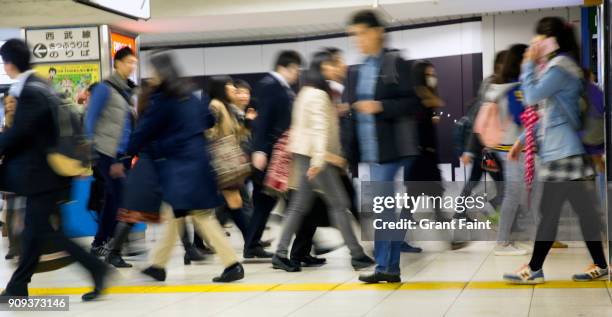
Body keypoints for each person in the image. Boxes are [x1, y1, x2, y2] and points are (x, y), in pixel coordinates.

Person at [0, 39, 108, 301]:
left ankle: (96, 269)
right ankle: (18, 285)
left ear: (9, 64)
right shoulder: (42, 86)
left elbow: (20, 133)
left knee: (45, 231)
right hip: (49, 174)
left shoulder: (30, 91)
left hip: (44, 175)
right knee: (35, 231)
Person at [503, 17, 608, 284]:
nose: (536, 44)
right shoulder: (559, 66)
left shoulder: (560, 67)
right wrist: (523, 140)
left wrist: (527, 63)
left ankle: (535, 268)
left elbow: (532, 97)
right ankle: (600, 263)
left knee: (549, 211)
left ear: (552, 40)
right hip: (564, 151)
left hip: (563, 153)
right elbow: (548, 113)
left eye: (541, 38)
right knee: (584, 213)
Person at [131, 52, 244, 283]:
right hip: (197, 162)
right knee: (175, 214)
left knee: (201, 216)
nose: (151, 77)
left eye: (153, 72)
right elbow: (209, 120)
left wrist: (127, 151)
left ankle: (232, 264)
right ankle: (158, 266)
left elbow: (143, 132)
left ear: (162, 73)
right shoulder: (190, 97)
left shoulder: (163, 101)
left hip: (180, 168)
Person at [271, 50, 375, 272]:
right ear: (324, 67)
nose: (343, 67)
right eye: (338, 63)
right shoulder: (318, 94)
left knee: (299, 206)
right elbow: (319, 130)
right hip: (314, 158)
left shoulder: (307, 91)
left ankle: (280, 253)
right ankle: (357, 255)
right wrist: (320, 160)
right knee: (339, 204)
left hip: (305, 155)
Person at [343, 10, 423, 284]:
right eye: (355, 35)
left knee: (382, 208)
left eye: (363, 32)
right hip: (368, 152)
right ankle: (388, 267)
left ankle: (386, 266)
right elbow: (353, 110)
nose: (359, 40)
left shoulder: (395, 62)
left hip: (390, 149)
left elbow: (412, 102)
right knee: (383, 209)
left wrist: (380, 106)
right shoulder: (357, 70)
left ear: (378, 31)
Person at [476, 44, 532, 256]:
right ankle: (502, 242)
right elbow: (521, 117)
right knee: (513, 193)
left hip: (502, 145)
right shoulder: (515, 88)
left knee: (515, 191)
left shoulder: (498, 84)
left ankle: (505, 239)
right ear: (519, 62)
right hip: (512, 147)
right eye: (526, 58)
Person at [247, 50, 302, 259]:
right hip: (270, 153)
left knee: (266, 201)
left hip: (276, 153)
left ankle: (252, 244)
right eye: (295, 69)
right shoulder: (271, 86)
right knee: (281, 200)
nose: (297, 74)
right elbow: (264, 120)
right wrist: (260, 150)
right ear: (285, 67)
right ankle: (304, 246)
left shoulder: (281, 87)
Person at [85, 47, 138, 256]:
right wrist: (91, 150)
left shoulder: (128, 91)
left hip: (122, 154)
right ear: (117, 63)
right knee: (121, 198)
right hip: (106, 151)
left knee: (113, 198)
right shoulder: (105, 88)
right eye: (128, 62)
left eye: (134, 62)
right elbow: (90, 119)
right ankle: (112, 247)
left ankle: (100, 243)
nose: (132, 66)